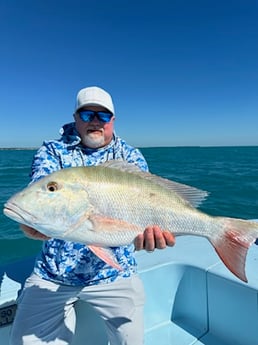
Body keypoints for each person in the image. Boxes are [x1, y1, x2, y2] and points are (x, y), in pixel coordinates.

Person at [10, 86, 175, 345]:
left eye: (103, 116)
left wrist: (151, 238)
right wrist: (29, 223)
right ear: (76, 118)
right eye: (87, 115)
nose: (95, 121)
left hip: (115, 273)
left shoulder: (130, 157)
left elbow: (149, 207)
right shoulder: (52, 152)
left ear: (113, 121)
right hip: (53, 275)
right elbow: (41, 192)